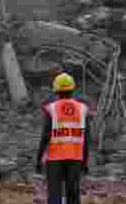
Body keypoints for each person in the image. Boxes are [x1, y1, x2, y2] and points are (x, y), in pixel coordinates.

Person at [36, 72, 90, 204]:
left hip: (54, 158)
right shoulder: (82, 109)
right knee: (73, 194)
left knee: (55, 194)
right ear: (73, 89)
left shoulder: (51, 108)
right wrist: (85, 161)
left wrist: (39, 158)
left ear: (56, 90)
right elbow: (86, 138)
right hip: (75, 157)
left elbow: (45, 136)